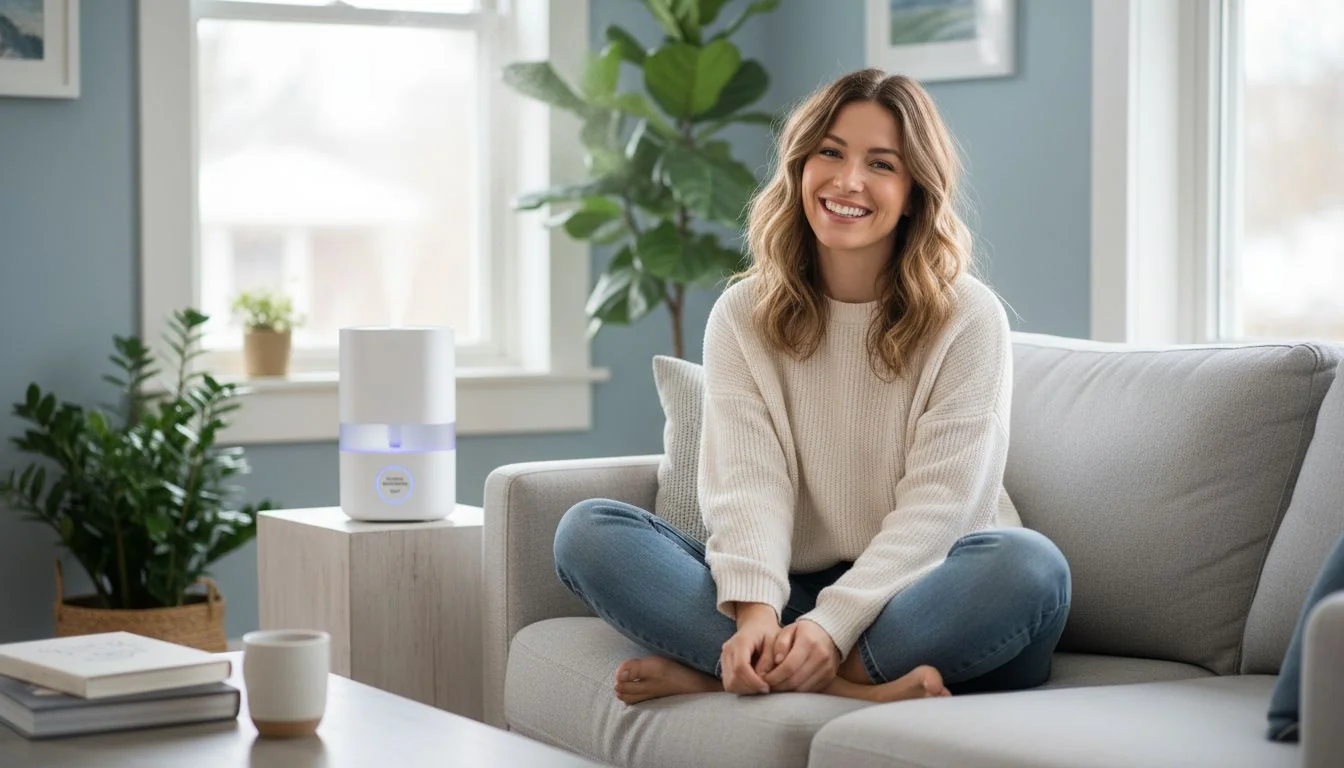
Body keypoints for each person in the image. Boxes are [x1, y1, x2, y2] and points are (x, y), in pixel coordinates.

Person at [553, 68, 1072, 705]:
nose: (847, 181)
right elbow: (749, 483)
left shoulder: (968, 317)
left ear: (913, 192)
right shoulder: (744, 314)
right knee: (589, 531)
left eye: (881, 163)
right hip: (792, 589)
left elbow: (945, 506)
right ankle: (846, 683)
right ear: (800, 167)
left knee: (1030, 568)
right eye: (829, 152)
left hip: (930, 588)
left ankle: (769, 675)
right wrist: (756, 616)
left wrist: (832, 628)